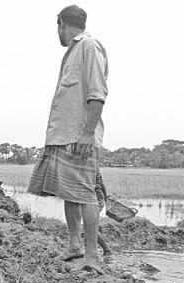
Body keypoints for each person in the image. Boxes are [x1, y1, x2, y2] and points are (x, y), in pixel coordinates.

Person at [27, 5, 108, 266]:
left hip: (78, 136)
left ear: (62, 23)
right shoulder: (73, 51)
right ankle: (75, 245)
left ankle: (92, 253)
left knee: (84, 194)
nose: (58, 33)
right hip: (62, 136)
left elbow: (97, 93)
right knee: (69, 193)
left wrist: (87, 133)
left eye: (58, 27)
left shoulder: (89, 46)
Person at [95, 170, 112, 257]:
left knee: (90, 226)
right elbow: (100, 180)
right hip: (95, 194)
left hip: (94, 195)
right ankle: (89, 249)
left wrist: (105, 197)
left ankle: (107, 249)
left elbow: (99, 180)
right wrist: (105, 196)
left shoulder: (90, 163)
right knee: (90, 224)